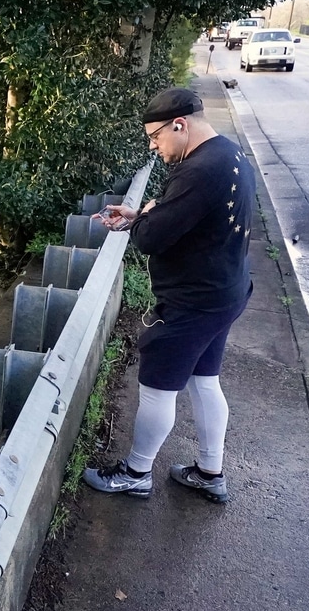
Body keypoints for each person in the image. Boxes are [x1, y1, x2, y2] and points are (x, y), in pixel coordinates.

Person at [83, 87, 256, 504]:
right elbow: (189, 214)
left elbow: (152, 239)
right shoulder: (228, 154)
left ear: (179, 125)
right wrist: (141, 212)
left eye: (156, 137)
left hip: (193, 303)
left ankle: (137, 473)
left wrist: (140, 223)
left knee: (158, 387)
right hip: (226, 292)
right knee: (204, 380)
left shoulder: (198, 171)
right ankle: (210, 473)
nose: (154, 146)